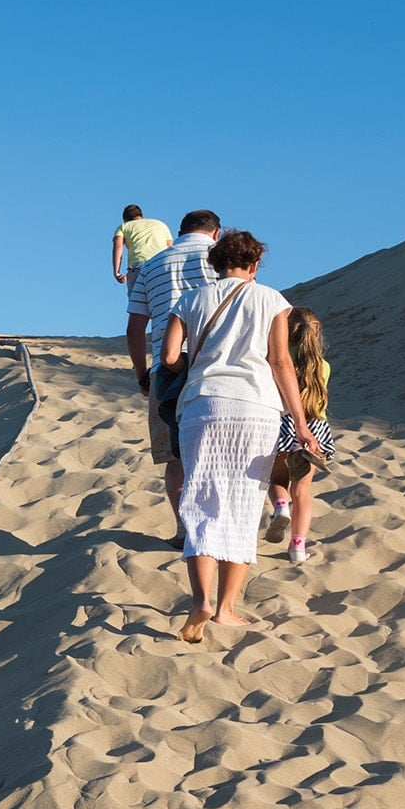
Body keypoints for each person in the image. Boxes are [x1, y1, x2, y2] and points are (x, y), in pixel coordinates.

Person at [160, 230, 319, 643]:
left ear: (216, 264)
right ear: (254, 265)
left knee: (201, 501)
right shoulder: (271, 300)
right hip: (256, 409)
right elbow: (281, 361)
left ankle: (201, 601)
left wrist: (196, 369)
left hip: (202, 407)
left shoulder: (191, 300)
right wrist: (301, 424)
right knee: (244, 507)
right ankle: (226, 609)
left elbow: (168, 357)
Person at [126, 209, 222, 545]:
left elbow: (135, 327)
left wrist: (142, 374)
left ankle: (185, 530)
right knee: (215, 452)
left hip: (165, 369)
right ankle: (215, 527)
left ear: (179, 232)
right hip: (213, 364)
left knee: (175, 455)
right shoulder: (222, 262)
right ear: (217, 233)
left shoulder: (151, 266)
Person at [265, 307, 337, 563]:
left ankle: (280, 507)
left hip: (283, 424)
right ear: (317, 334)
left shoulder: (277, 361)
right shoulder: (323, 366)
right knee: (303, 491)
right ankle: (297, 545)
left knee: (276, 480)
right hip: (315, 429)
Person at [112, 205, 173, 302]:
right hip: (162, 265)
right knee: (163, 304)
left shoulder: (124, 227)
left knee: (137, 307)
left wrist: (116, 272)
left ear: (125, 219)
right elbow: (171, 247)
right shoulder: (160, 224)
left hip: (139, 266)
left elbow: (118, 246)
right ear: (141, 216)